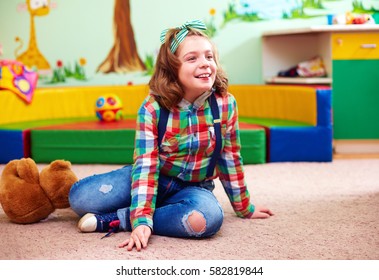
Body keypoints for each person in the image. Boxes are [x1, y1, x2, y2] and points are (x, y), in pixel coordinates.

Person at [69, 19, 273, 252]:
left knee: (205, 220)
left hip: (195, 187)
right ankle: (148, 209)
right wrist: (143, 214)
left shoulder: (225, 103)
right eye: (192, 58)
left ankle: (121, 219)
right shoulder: (153, 108)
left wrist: (244, 207)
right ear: (172, 69)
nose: (205, 64)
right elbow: (146, 165)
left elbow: (230, 158)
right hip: (156, 176)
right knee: (79, 200)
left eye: (209, 56)